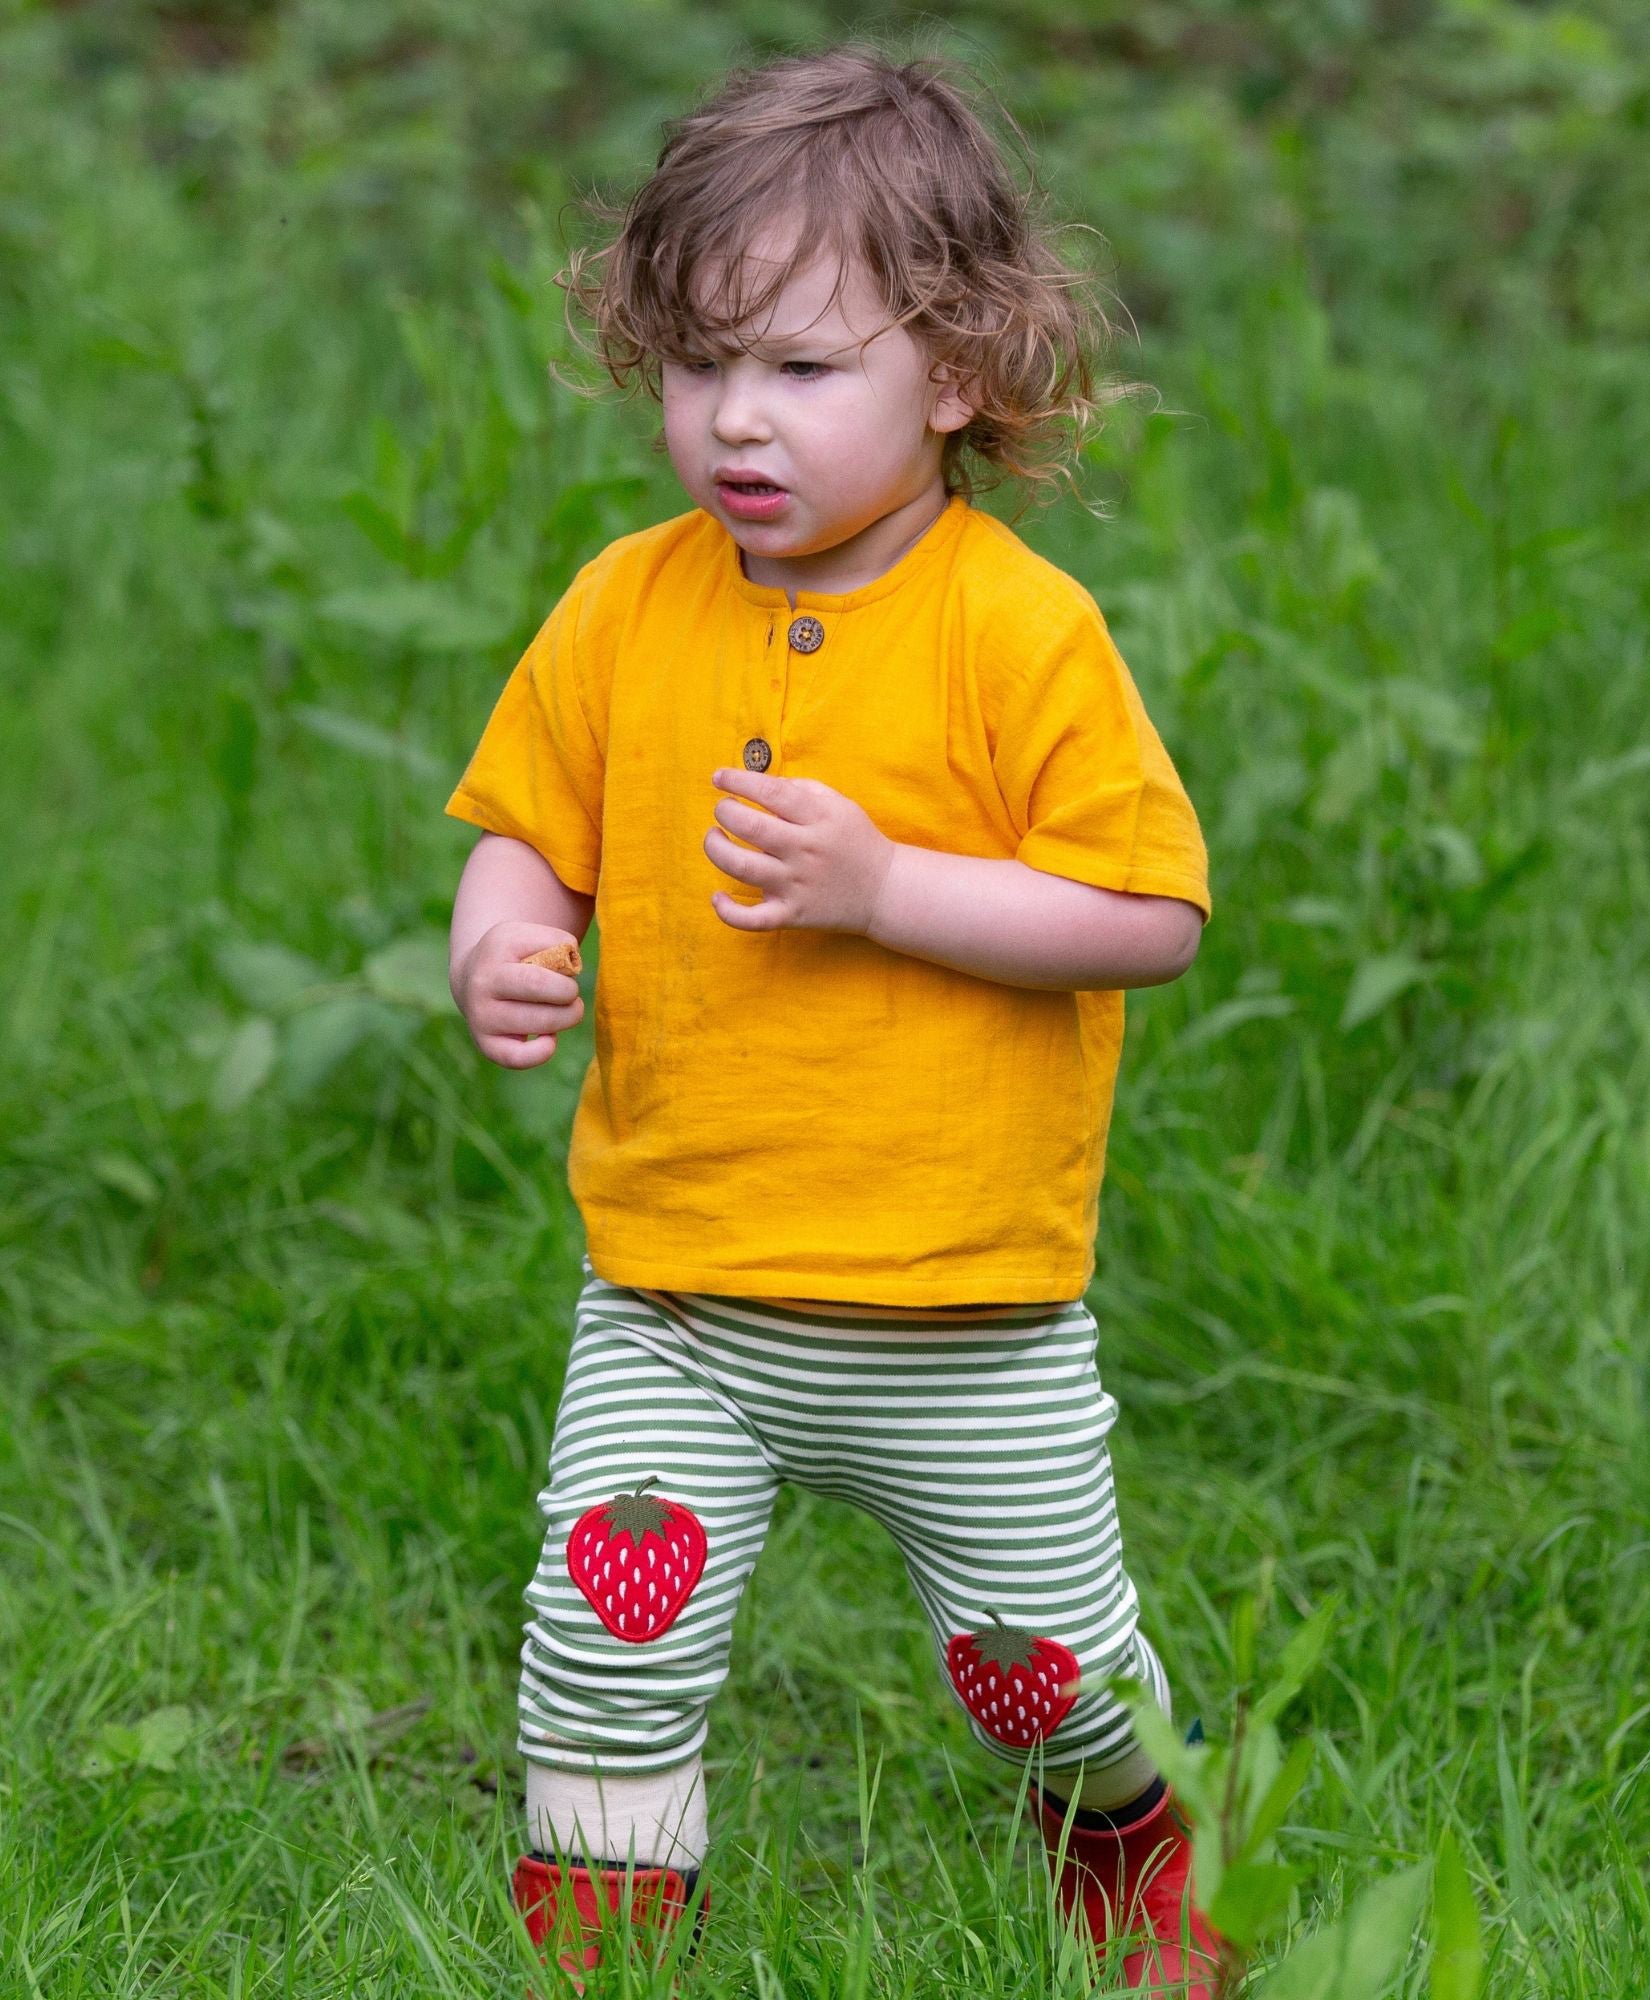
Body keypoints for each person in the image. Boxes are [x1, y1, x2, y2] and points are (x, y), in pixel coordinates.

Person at [445, 42, 1219, 1997]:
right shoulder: (627, 605)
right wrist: (506, 940)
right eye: (700, 367)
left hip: (966, 1312)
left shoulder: (1013, 630)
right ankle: (598, 1958)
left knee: (1041, 1671)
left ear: (955, 375)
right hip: (681, 1291)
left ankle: (1139, 1867)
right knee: (601, 1646)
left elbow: (1146, 915)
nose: (735, 421)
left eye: (801, 369)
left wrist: (890, 892)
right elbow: (527, 828)